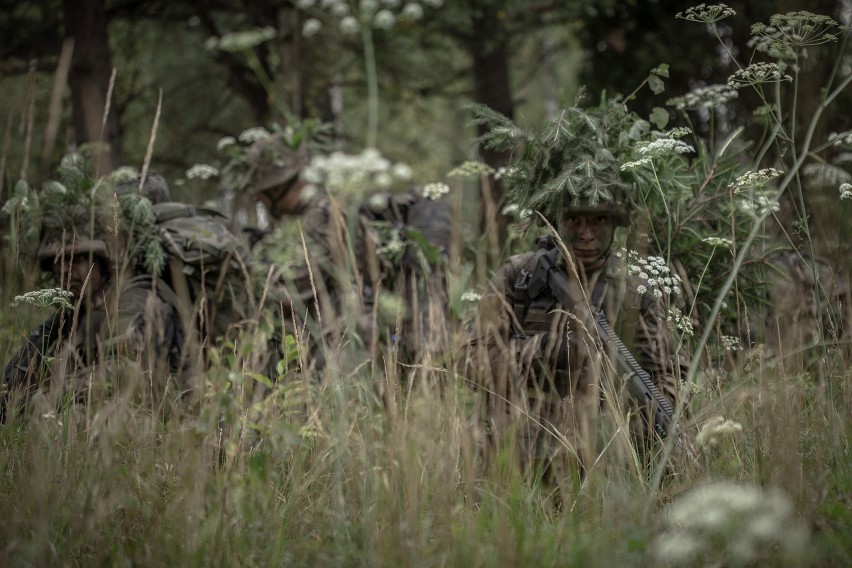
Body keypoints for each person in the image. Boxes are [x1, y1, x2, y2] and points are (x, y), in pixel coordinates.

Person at [470, 109, 687, 485]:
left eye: (598, 221)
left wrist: (648, 411)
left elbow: (667, 375)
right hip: (514, 463)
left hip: (602, 467)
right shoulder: (518, 276)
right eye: (574, 220)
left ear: (614, 225)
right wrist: (544, 351)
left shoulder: (635, 291)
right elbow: (469, 361)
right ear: (556, 221)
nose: (585, 234)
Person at [2, 186, 184, 420]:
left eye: (78, 258)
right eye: (58, 261)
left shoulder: (138, 298)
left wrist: (46, 396)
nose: (65, 270)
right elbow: (18, 374)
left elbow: (124, 374)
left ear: (104, 263)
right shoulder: (72, 311)